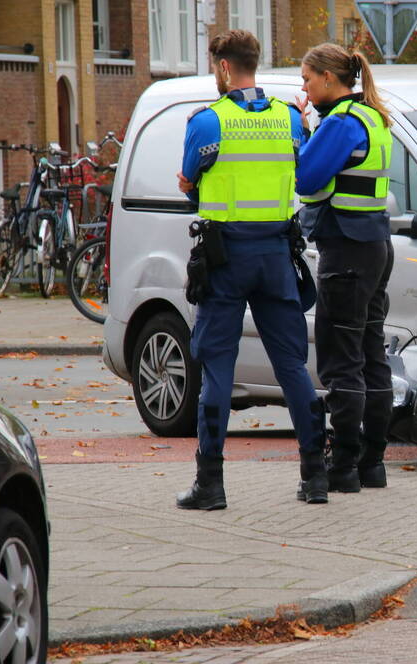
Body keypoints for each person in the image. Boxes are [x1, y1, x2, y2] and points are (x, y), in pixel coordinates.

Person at [174, 30, 328, 509]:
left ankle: (211, 484)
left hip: (225, 258)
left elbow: (187, 181)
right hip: (278, 255)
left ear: (223, 67)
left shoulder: (208, 121)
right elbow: (301, 169)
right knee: (291, 365)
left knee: (217, 364)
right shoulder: (288, 117)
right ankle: (314, 476)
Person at [294, 43, 394, 493]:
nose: (304, 86)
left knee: (342, 362)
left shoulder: (340, 123)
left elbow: (306, 177)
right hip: (373, 245)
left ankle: (344, 468)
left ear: (330, 79)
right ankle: (373, 463)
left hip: (346, 250)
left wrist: (301, 131)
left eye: (308, 79)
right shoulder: (371, 115)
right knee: (372, 357)